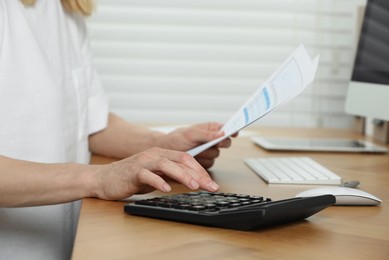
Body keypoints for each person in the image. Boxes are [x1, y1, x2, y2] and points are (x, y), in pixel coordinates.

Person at [0, 1, 234, 259]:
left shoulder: (64, 7)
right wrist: (98, 179)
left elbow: (86, 122)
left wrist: (164, 144)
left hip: (63, 244)